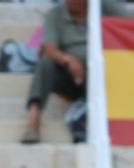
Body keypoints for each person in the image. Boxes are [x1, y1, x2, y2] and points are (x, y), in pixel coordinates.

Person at [24, 0, 92, 144]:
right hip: (70, 76)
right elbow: (50, 49)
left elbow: (131, 20)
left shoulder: (102, 8)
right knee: (45, 63)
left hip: (99, 75)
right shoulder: (55, 15)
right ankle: (33, 120)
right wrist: (69, 60)